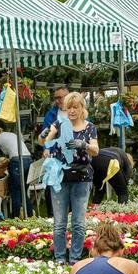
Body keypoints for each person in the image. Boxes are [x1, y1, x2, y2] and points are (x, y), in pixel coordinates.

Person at [43, 92, 99, 263]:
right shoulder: (59, 124)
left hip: (82, 177)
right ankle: (60, 258)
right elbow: (44, 141)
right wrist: (45, 134)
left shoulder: (90, 127)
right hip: (60, 177)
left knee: (78, 222)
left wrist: (84, 145)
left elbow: (96, 151)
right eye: (69, 108)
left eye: (76, 107)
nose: (72, 111)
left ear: (82, 108)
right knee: (59, 222)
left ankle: (74, 259)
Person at [0, 124, 33, 217]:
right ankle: (30, 216)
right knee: (23, 192)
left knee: (16, 192)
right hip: (28, 160)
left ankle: (15, 218)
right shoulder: (11, 135)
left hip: (17, 161)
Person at [36, 86, 68, 217]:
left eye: (60, 97)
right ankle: (51, 216)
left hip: (72, 156)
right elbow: (46, 133)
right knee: (51, 186)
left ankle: (69, 214)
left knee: (69, 185)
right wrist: (46, 149)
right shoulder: (51, 114)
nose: (58, 101)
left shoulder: (76, 111)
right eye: (56, 98)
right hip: (55, 157)